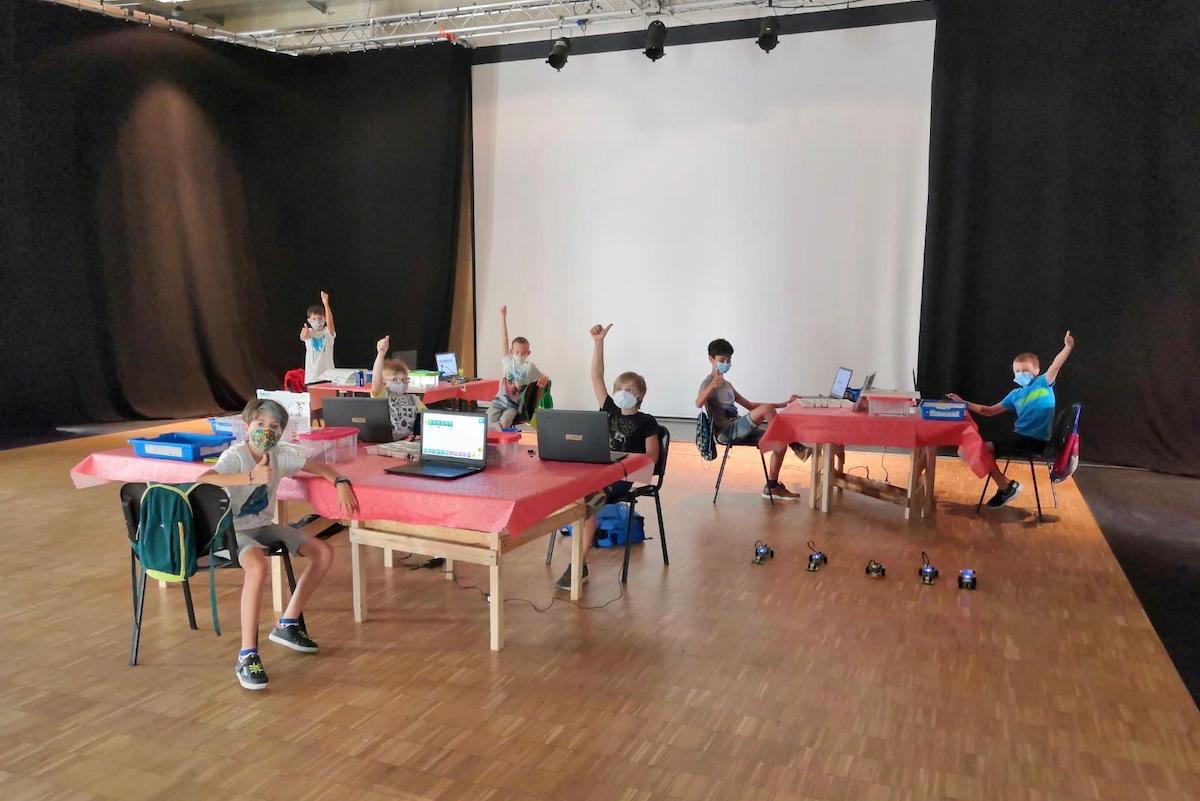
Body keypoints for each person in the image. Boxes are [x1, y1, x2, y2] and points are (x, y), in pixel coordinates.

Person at [198, 398, 358, 690]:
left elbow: (320, 467)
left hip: (263, 526)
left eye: (274, 426)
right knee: (257, 566)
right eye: (260, 424)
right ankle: (247, 654)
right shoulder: (236, 455)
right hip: (232, 530)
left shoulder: (280, 454)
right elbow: (204, 480)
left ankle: (288, 623)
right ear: (247, 427)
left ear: (282, 431)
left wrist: (340, 482)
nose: (266, 431)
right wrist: (250, 477)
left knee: (323, 552)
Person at [553, 323, 661, 591]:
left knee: (587, 500)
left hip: (623, 476)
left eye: (629, 389)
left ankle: (578, 564)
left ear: (640, 395)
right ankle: (580, 545)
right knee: (572, 490)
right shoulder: (609, 409)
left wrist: (624, 463)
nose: (623, 392)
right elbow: (596, 376)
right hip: (599, 470)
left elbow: (651, 457)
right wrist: (598, 342)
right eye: (619, 387)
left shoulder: (647, 422)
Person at [949, 330, 1075, 508]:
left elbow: (1056, 364)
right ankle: (1006, 486)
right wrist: (964, 403)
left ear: (1036, 371)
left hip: (1036, 442)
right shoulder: (1015, 395)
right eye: (1018, 371)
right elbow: (988, 411)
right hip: (1018, 438)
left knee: (974, 451)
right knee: (968, 451)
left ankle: (1006, 487)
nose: (1021, 374)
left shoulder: (1043, 383)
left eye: (1025, 370)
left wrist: (1067, 347)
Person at [696, 338, 808, 501]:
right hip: (726, 432)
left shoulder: (727, 384)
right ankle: (796, 446)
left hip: (737, 424)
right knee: (771, 418)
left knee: (780, 442)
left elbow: (749, 405)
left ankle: (772, 487)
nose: (726, 363)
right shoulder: (707, 383)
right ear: (711, 359)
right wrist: (712, 385)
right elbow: (698, 403)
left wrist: (785, 403)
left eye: (728, 360)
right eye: (722, 360)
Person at [486, 305, 549, 428]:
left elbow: (546, 378)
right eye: (517, 352)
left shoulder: (530, 367)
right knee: (488, 419)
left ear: (528, 353)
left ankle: (501, 435)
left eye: (523, 352)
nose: (520, 355)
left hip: (513, 406)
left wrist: (544, 379)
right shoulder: (508, 361)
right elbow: (504, 339)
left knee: (505, 421)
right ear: (511, 351)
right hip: (498, 401)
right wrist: (503, 316)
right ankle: (491, 436)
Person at [369, 334, 424, 440]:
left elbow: (428, 417)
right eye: (395, 380)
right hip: (386, 441)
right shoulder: (382, 396)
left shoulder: (414, 399)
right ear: (384, 382)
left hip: (407, 441)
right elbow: (376, 380)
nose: (401, 383)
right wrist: (380, 355)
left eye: (404, 380)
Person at [300, 291, 336, 384]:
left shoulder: (327, 332)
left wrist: (326, 303)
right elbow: (303, 336)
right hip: (312, 377)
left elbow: (330, 324)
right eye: (314, 319)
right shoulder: (309, 331)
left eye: (320, 318)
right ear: (309, 320)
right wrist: (305, 333)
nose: (317, 321)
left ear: (324, 318)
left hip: (328, 376)